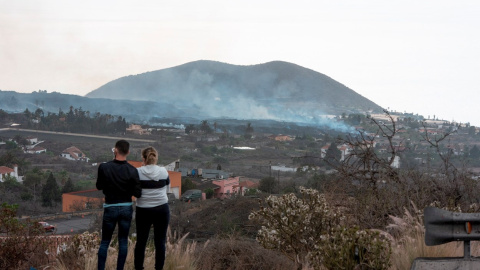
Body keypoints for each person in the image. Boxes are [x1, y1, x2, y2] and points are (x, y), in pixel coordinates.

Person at [96, 140, 141, 270]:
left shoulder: (104, 167)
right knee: (123, 241)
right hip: (126, 207)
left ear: (115, 150)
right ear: (128, 152)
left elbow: (99, 186)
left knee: (105, 242)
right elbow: (138, 193)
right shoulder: (132, 170)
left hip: (110, 207)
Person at [134, 146, 170, 270]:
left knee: (141, 242)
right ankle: (158, 268)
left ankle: (139, 267)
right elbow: (167, 190)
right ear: (155, 158)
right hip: (162, 209)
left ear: (143, 158)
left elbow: (135, 191)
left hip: (143, 210)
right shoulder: (164, 171)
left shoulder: (137, 172)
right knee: (160, 241)